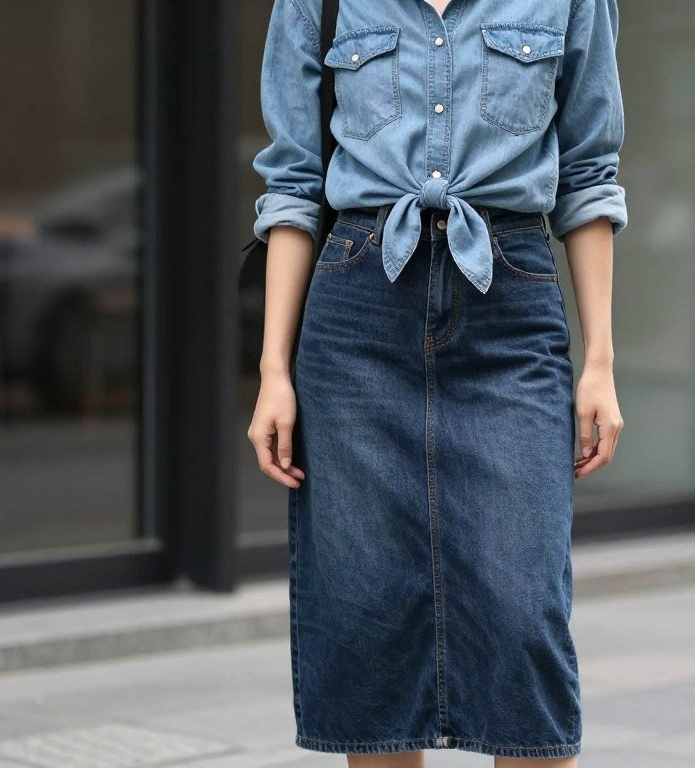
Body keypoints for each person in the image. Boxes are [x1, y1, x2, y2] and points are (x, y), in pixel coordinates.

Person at [248, 0, 626, 764]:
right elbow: (292, 181)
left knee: (524, 613)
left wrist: (600, 363)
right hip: (358, 315)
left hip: (509, 309)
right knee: (369, 617)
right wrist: (273, 370)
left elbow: (589, 173)